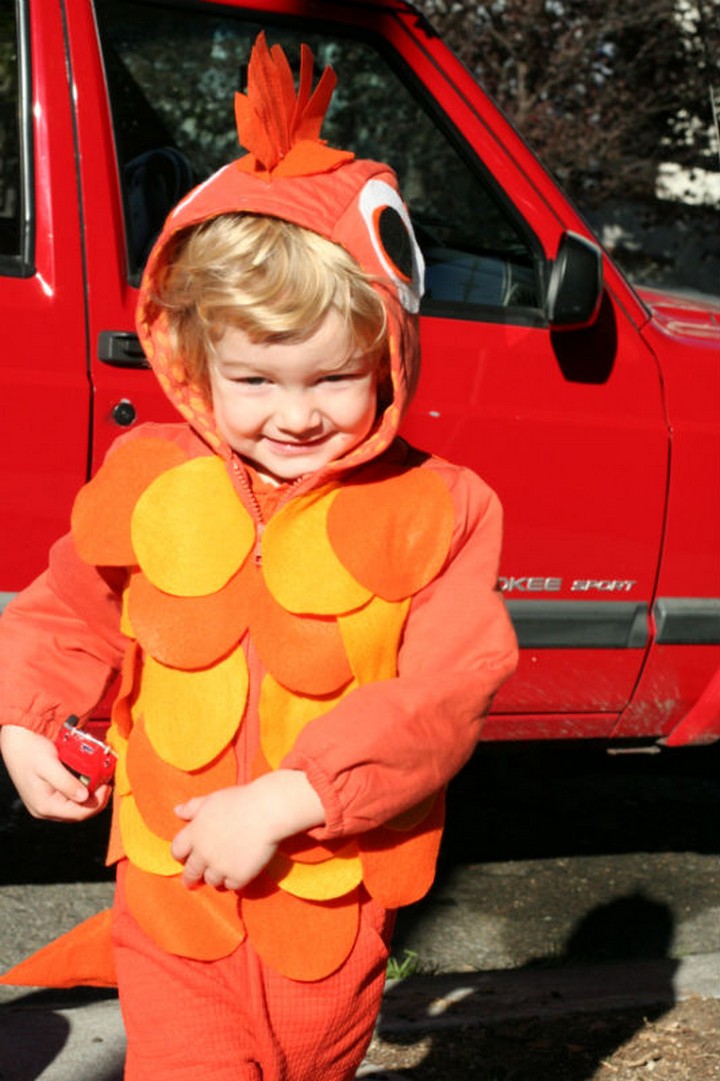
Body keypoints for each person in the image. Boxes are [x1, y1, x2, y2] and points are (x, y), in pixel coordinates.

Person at [0, 32, 518, 1081]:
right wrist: (28, 720)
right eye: (255, 380)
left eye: (334, 378)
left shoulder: (443, 504)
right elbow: (67, 609)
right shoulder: (147, 473)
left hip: (332, 898)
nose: (295, 416)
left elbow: (452, 688)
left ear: (391, 355)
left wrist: (293, 797)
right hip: (168, 894)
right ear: (191, 357)